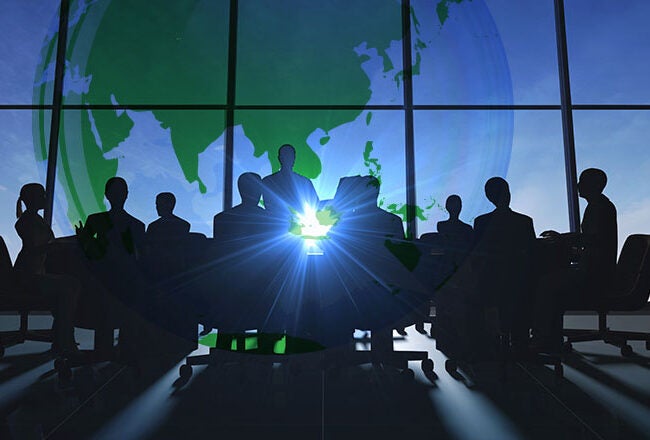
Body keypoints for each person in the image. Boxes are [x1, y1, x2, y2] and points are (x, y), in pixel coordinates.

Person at [532, 168, 617, 352]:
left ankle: (544, 338)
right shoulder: (599, 206)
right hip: (594, 268)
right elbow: (591, 240)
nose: (578, 185)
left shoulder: (600, 207)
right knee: (552, 280)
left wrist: (562, 239)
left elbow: (592, 239)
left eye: (582, 181)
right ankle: (549, 337)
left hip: (595, 273)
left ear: (593, 185)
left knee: (546, 283)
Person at [13, 183, 80, 354]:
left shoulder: (33, 220)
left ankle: (62, 337)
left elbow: (49, 244)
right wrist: (66, 243)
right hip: (28, 276)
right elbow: (40, 247)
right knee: (69, 285)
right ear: (32, 199)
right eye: (42, 195)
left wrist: (72, 239)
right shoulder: (27, 221)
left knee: (69, 284)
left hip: (33, 273)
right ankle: (65, 339)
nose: (45, 198)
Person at [473, 177, 536, 356]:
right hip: (519, 282)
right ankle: (520, 340)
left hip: (490, 282)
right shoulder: (524, 222)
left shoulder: (481, 223)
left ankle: (492, 339)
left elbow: (476, 256)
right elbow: (532, 254)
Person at [261, 144, 319, 229]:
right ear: (280, 158)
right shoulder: (268, 181)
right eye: (286, 155)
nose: (288, 159)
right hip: (276, 228)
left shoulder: (304, 182)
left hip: (295, 229)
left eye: (290, 156)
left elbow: (316, 204)